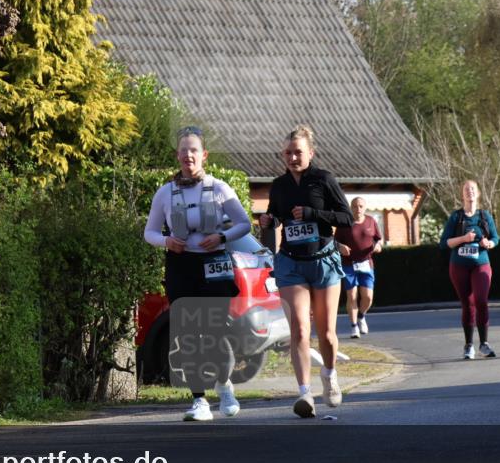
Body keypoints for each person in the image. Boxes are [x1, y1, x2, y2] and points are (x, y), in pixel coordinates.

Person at [144, 126, 252, 421]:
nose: (188, 155)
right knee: (188, 333)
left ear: (204, 155)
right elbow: (149, 232)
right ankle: (199, 400)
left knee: (215, 332)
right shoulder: (165, 193)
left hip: (214, 264)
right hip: (181, 266)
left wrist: (221, 237)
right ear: (177, 155)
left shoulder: (219, 188)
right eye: (183, 150)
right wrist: (167, 241)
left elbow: (244, 224)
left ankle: (225, 386)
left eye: (194, 150)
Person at [258, 125, 353, 418]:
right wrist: (269, 221)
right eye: (287, 153)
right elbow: (276, 216)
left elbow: (346, 217)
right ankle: (304, 394)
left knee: (327, 333)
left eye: (298, 152)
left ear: (310, 152)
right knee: (299, 329)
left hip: (323, 262)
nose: (292, 158)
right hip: (291, 263)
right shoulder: (279, 185)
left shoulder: (323, 180)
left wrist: (313, 214)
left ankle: (329, 375)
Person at [439, 180, 500, 360]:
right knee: (468, 304)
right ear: (462, 194)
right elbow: (444, 243)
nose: (469, 192)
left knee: (481, 300)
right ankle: (468, 345)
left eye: (472, 189)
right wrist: (464, 239)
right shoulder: (456, 217)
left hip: (481, 264)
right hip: (459, 266)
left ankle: (484, 344)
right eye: (466, 189)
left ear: (478, 193)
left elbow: (496, 238)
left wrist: (489, 243)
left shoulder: (484, 216)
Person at [335, 196, 383, 338]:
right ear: (351, 208)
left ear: (365, 207)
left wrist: (378, 246)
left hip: (366, 263)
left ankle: (361, 316)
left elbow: (378, 240)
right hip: (349, 264)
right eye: (355, 206)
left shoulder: (371, 221)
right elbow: (334, 242)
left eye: (361, 206)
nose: (358, 209)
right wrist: (340, 247)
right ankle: (354, 326)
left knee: (368, 297)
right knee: (352, 295)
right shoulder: (344, 223)